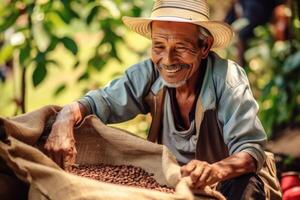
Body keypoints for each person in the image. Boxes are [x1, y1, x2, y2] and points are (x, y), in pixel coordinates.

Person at [44, 0, 273, 199]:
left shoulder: (227, 79)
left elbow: (251, 151)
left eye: (181, 47)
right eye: (159, 46)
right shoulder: (148, 75)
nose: (168, 59)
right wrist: (64, 117)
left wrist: (215, 171)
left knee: (245, 184)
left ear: (204, 47)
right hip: (177, 184)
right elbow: (98, 102)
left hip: (229, 180)